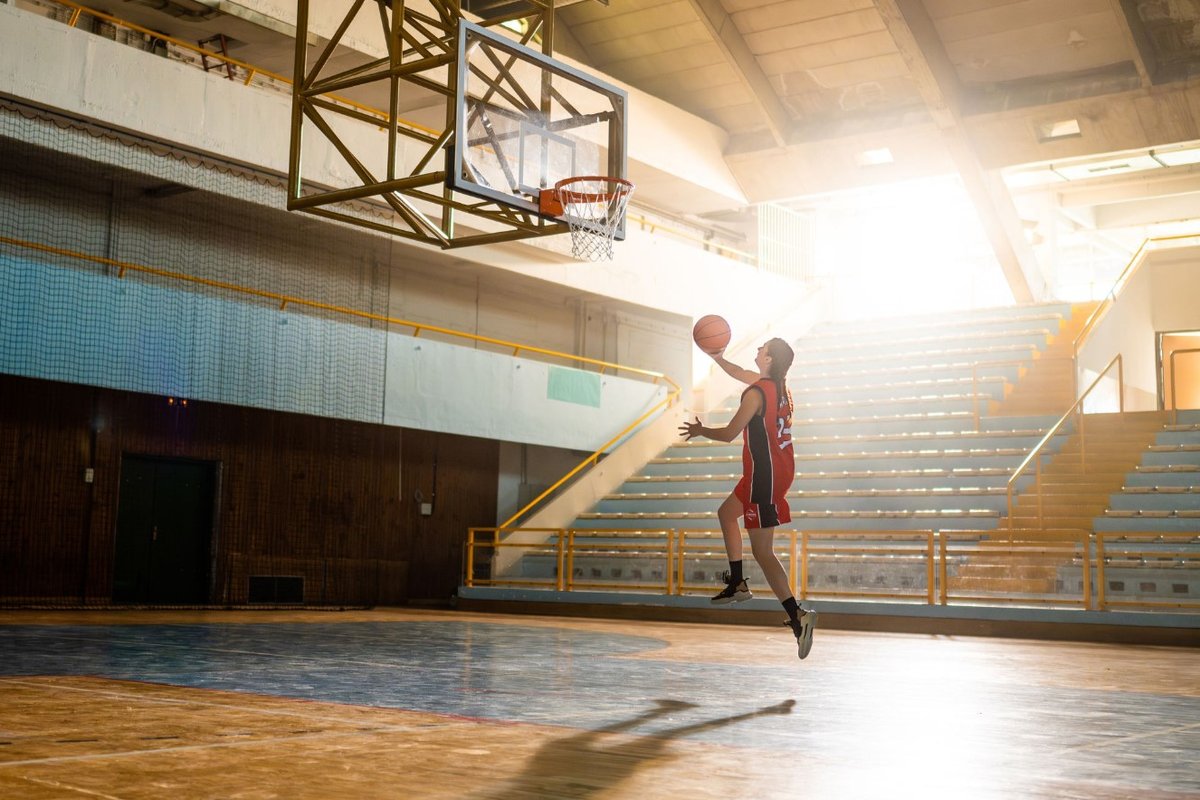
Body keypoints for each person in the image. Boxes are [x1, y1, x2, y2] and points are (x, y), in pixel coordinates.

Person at [679, 337, 816, 659]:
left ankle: (798, 616)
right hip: (771, 471)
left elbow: (729, 433)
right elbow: (738, 372)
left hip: (765, 477)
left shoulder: (756, 394)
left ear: (769, 359)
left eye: (761, 348)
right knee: (726, 514)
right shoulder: (777, 387)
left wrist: (700, 430)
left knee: (763, 552)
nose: (757, 350)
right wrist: (718, 358)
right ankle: (738, 582)